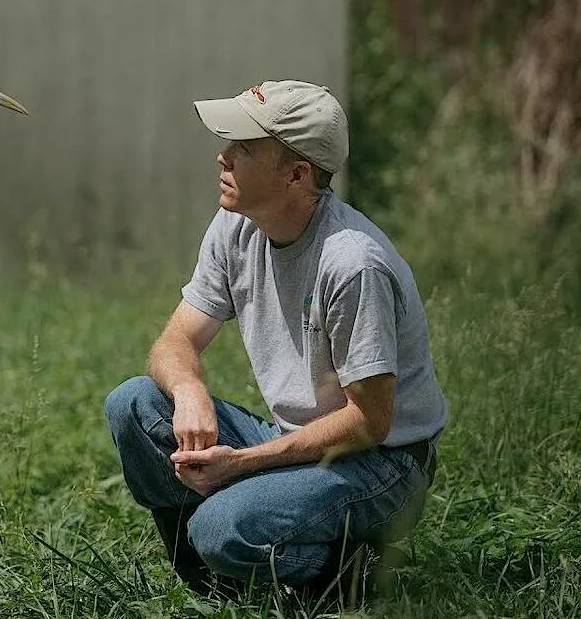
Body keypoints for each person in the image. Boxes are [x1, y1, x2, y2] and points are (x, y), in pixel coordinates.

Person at [103, 81, 448, 591]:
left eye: (243, 149)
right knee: (133, 403)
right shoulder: (233, 225)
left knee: (221, 527)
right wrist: (190, 391)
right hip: (296, 442)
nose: (222, 158)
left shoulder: (352, 264)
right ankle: (208, 576)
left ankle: (357, 572)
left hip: (382, 465)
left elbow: (370, 423)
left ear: (296, 174)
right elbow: (176, 340)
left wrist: (241, 464)